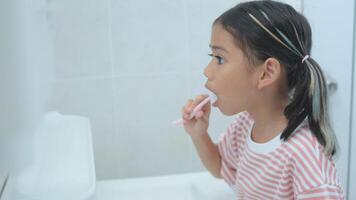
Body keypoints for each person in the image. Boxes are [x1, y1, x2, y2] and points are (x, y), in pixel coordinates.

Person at [181, 0, 345, 199]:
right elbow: (220, 167)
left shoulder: (305, 155)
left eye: (220, 59)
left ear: (266, 73)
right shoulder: (245, 124)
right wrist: (199, 134)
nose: (207, 71)